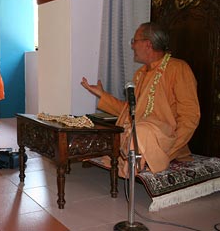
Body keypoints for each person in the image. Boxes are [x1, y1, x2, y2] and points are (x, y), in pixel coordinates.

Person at [81, 22, 200, 178]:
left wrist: (171, 150)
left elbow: (190, 116)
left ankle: (133, 167)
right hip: (140, 128)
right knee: (117, 130)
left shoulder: (178, 68)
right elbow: (129, 111)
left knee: (139, 132)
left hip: (164, 136)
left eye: (134, 41)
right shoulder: (140, 74)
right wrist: (102, 95)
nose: (132, 46)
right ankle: (134, 158)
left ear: (148, 44)